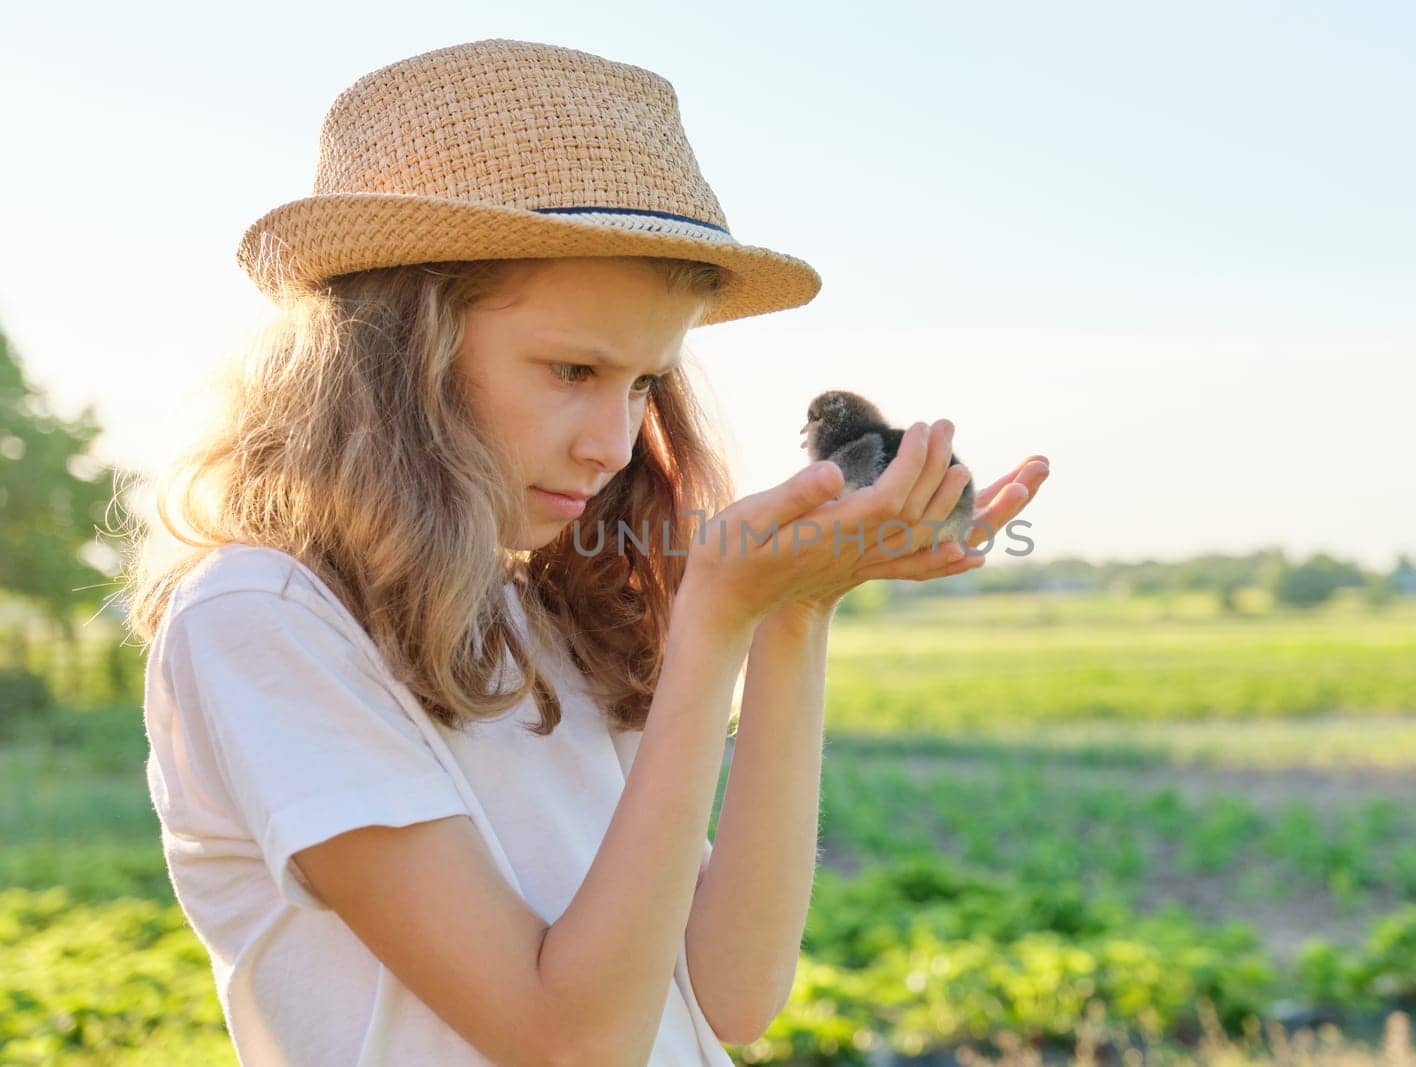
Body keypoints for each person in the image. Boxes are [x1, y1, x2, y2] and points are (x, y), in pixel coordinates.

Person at [125, 38, 1049, 1067]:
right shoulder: (263, 621)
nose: (613, 444)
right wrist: (713, 621)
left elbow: (733, 993)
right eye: (572, 369)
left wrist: (793, 612)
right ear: (396, 354)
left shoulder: (544, 613)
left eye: (645, 383)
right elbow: (569, 1041)